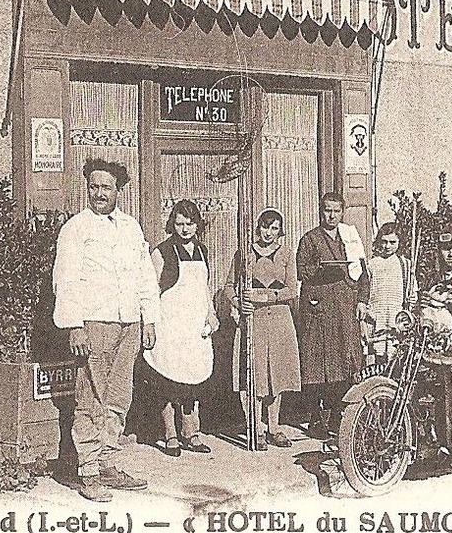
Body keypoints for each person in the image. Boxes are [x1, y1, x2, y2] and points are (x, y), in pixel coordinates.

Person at [52, 158, 158, 502]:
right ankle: (88, 471)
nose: (99, 193)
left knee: (118, 398)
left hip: (128, 323)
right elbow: (64, 281)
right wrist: (74, 326)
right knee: (90, 398)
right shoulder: (75, 229)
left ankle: (108, 461)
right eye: (94, 186)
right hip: (94, 324)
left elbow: (145, 277)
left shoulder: (131, 228)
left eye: (106, 187)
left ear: (119, 190)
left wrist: (149, 319)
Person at [141, 200, 217, 457]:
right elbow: (150, 292)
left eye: (189, 223)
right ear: (172, 224)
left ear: (198, 224)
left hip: (194, 329)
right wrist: (149, 324)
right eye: (179, 223)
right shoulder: (162, 252)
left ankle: (191, 433)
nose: (185, 229)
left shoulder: (202, 251)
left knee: (192, 381)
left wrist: (211, 313)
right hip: (170, 327)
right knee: (167, 380)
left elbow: (204, 288)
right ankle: (170, 435)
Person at [225, 207, 299, 448]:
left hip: (279, 320)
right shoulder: (244, 254)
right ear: (258, 228)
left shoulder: (287, 254)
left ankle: (274, 428)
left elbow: (292, 290)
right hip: (253, 321)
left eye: (274, 228)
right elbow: (229, 287)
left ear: (280, 231)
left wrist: (270, 296)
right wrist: (239, 303)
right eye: (265, 227)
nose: (269, 233)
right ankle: (255, 427)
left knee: (276, 374)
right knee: (253, 375)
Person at [295, 193, 363, 439]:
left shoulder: (349, 238)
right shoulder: (310, 239)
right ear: (320, 211)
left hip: (344, 310)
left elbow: (362, 272)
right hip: (319, 310)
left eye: (336, 211)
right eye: (327, 210)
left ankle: (337, 415)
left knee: (343, 364)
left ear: (342, 212)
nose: (331, 215)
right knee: (316, 364)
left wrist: (362, 301)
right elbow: (302, 270)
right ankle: (314, 417)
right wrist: (324, 267)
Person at [358, 223, 412, 359]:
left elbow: (412, 289)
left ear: (400, 242)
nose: (387, 246)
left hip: (396, 315)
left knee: (396, 354)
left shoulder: (405, 264)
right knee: (378, 354)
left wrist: (412, 298)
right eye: (384, 242)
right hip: (377, 314)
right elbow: (364, 288)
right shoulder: (373, 264)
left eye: (392, 242)